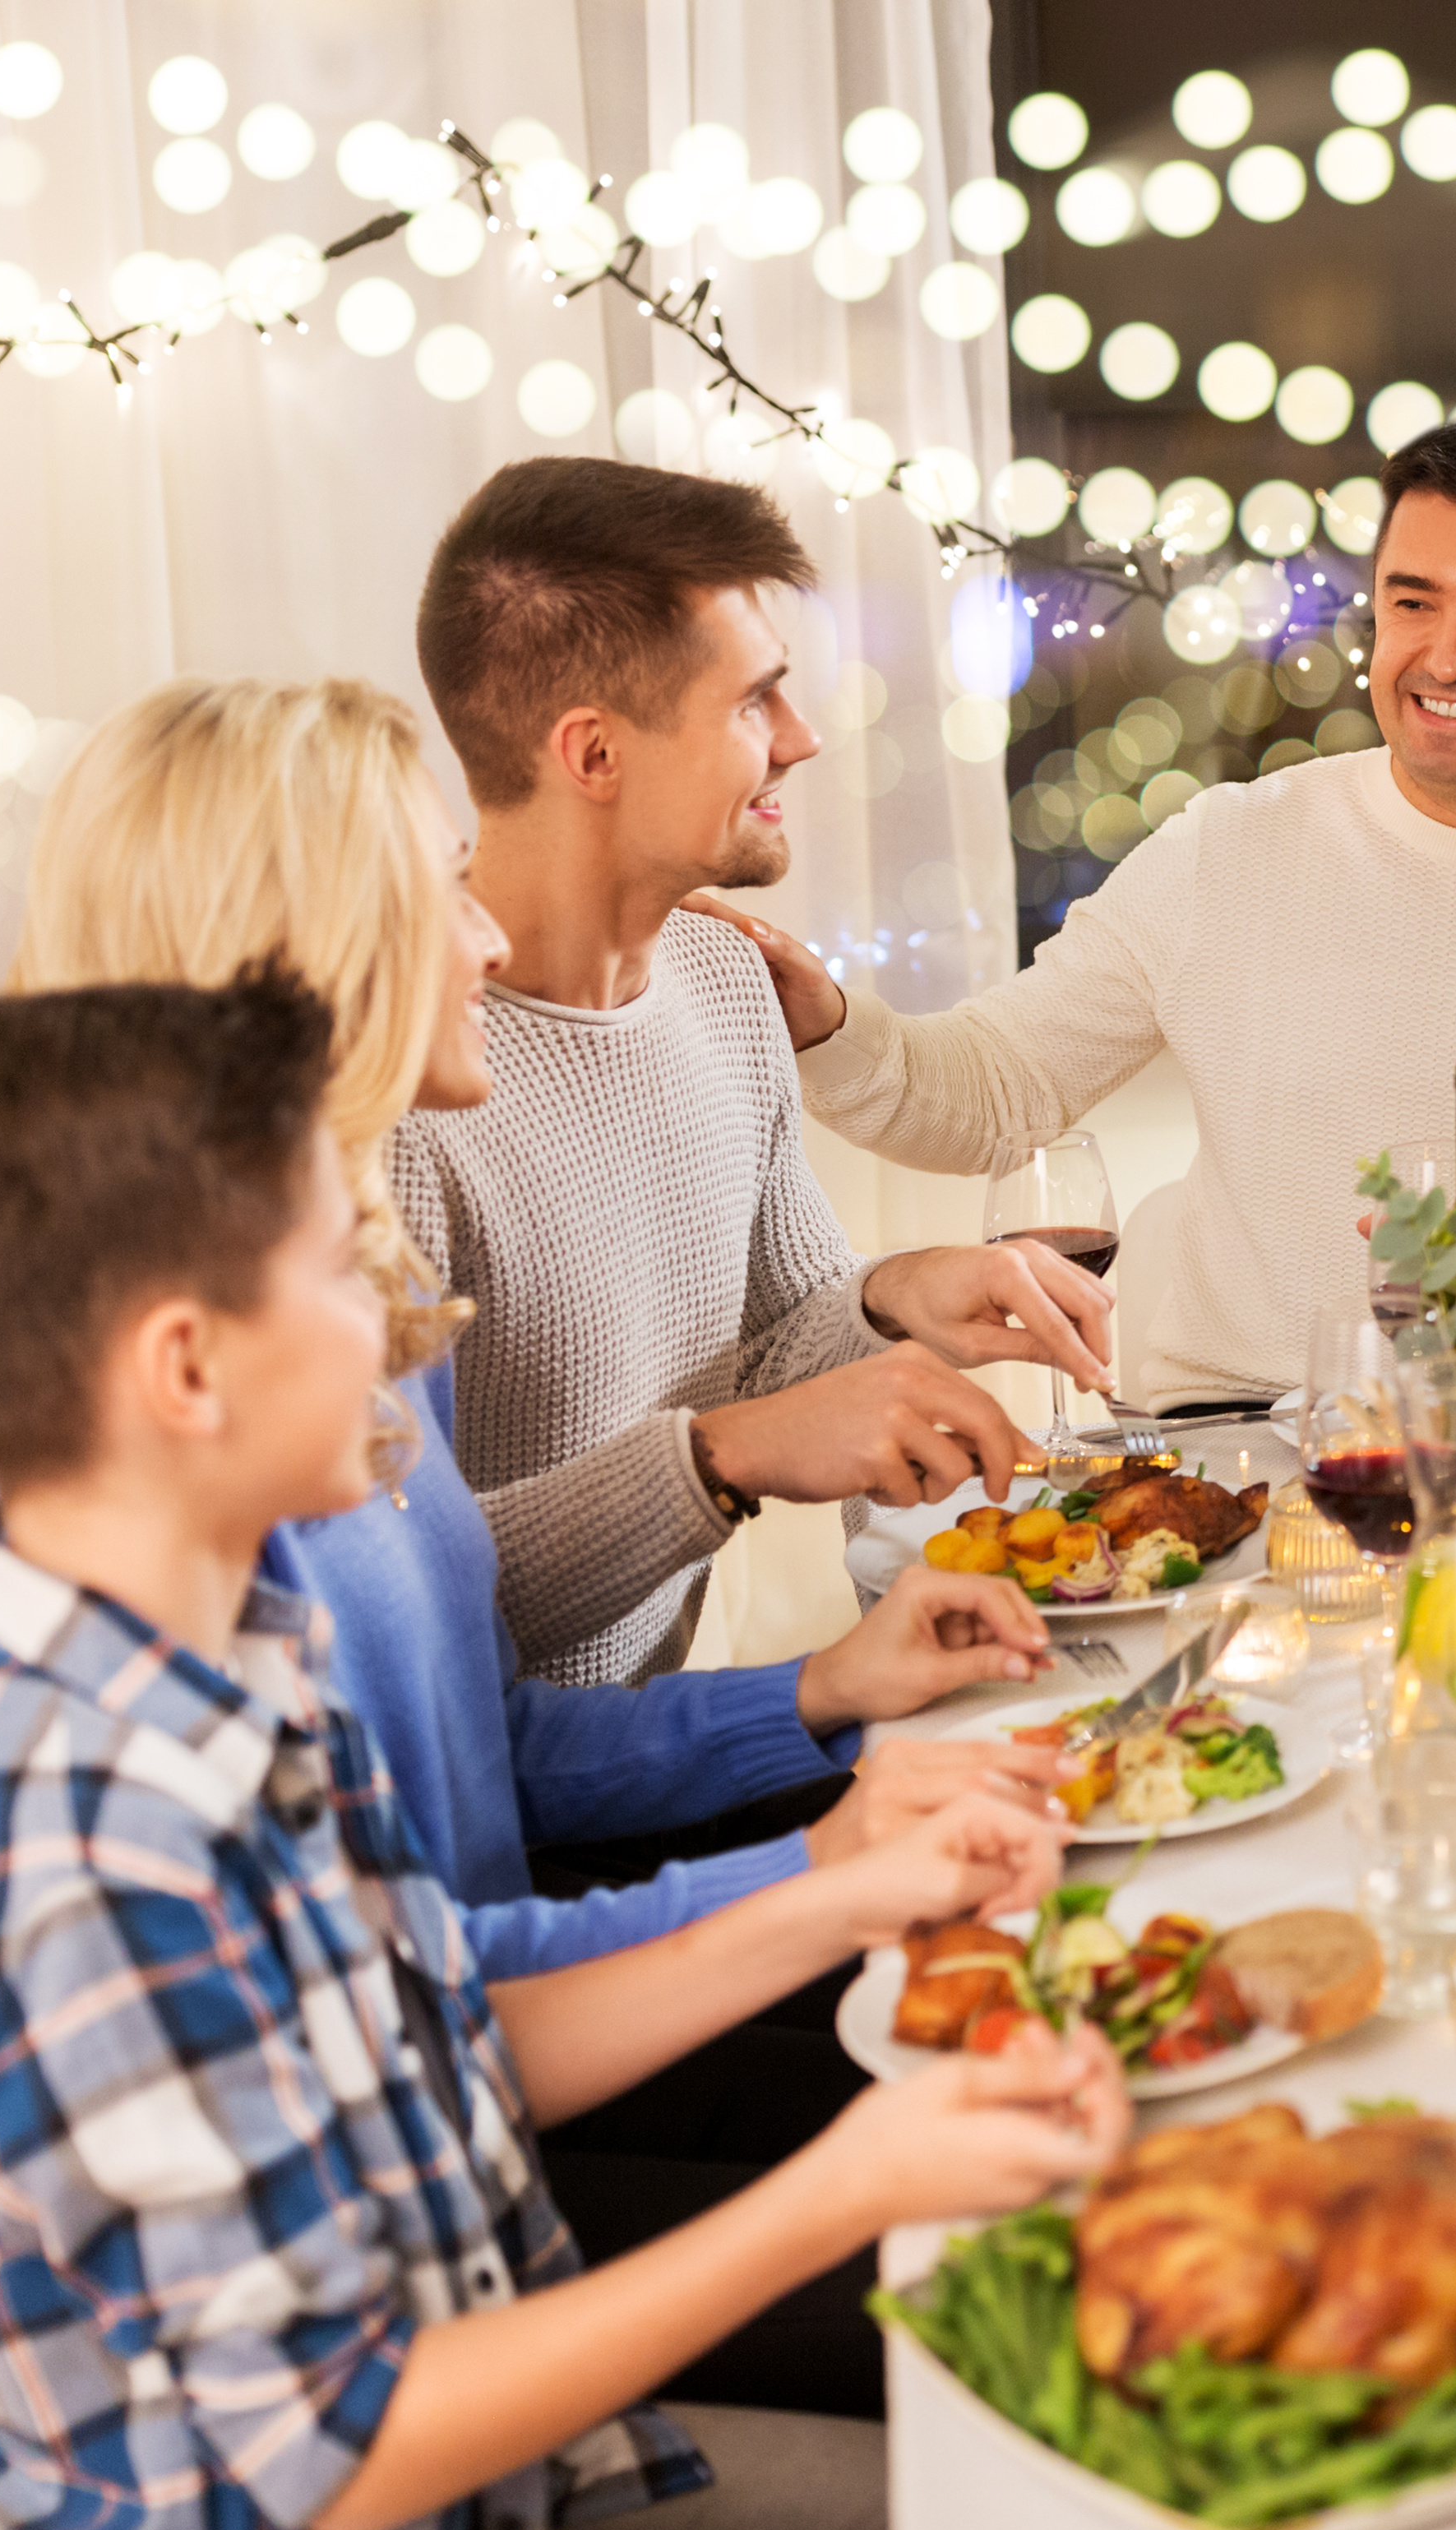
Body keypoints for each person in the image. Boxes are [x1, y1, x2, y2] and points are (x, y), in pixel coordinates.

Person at [0, 678, 1075, 2422]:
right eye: (439, 886)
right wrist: (816, 1856)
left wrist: (827, 1704)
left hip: (476, 2075)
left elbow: (462, 1809)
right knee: (1027, 2318)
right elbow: (334, 2371)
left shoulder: (325, 1289)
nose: (483, 935)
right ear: (307, 949)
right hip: (449, 2206)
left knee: (1051, 2121)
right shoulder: (178, 1458)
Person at [695, 414, 1456, 1408]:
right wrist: (827, 1025)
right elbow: (996, 1095)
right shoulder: (1230, 846)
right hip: (1228, 1428)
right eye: (1412, 602)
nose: (1446, 654)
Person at [401, 457, 1119, 1686]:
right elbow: (404, 1606)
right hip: (500, 1800)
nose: (803, 739)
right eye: (754, 702)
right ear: (593, 753)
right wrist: (721, 1455)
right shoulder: (404, 1077)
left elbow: (774, 1350)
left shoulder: (728, 986)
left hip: (666, 1734)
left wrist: (896, 1295)